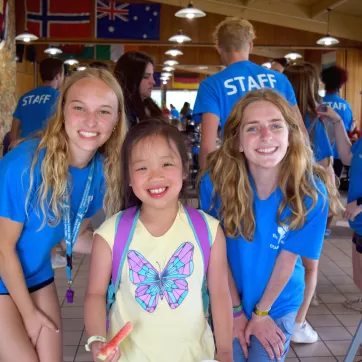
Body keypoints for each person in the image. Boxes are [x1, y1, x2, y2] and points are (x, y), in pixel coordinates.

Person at [200, 89, 341, 362]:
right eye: (253, 128)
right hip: (228, 293)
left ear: (290, 135)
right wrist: (236, 312)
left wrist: (262, 313)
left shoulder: (311, 190)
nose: (266, 136)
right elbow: (216, 256)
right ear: (238, 141)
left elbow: (287, 260)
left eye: (276, 126)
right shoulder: (216, 183)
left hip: (278, 300)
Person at [0, 68, 127, 361]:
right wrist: (29, 314)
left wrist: (129, 247)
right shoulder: (24, 164)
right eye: (79, 108)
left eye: (104, 111)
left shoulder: (99, 172)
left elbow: (75, 237)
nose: (91, 121)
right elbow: (3, 248)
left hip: (35, 274)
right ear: (63, 111)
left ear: (116, 119)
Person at [84, 119, 233, 362]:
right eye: (142, 168)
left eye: (167, 164)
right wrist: (97, 338)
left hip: (194, 356)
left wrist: (225, 350)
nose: (156, 176)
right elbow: (95, 294)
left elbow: (219, 293)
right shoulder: (109, 235)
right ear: (129, 177)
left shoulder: (209, 231)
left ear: (185, 169)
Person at [193, 17, 305, 169]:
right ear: (251, 45)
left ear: (218, 47)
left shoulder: (212, 85)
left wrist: (207, 186)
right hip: (278, 166)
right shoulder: (280, 79)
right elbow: (299, 131)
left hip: (237, 171)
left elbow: (207, 146)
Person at [283, 63, 337, 343]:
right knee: (310, 265)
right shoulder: (315, 121)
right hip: (310, 197)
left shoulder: (281, 116)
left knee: (285, 261)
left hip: (281, 197)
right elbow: (326, 163)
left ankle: (283, 315)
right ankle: (298, 324)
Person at [317, 106, 362, 311]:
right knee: (358, 275)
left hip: (359, 210)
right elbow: (347, 158)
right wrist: (336, 121)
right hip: (358, 220)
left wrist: (359, 204)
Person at [10, 58, 64, 145]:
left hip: (25, 151)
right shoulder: (60, 97)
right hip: (48, 150)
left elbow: (14, 130)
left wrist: (15, 150)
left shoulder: (25, 98)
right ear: (58, 76)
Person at [114, 51, 163, 128]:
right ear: (131, 79)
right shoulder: (122, 112)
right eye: (146, 76)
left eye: (152, 76)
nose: (153, 82)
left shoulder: (149, 106)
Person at [321, 65, 354, 178]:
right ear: (340, 85)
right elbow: (349, 128)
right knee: (334, 186)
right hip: (339, 153)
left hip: (319, 152)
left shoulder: (318, 103)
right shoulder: (345, 105)